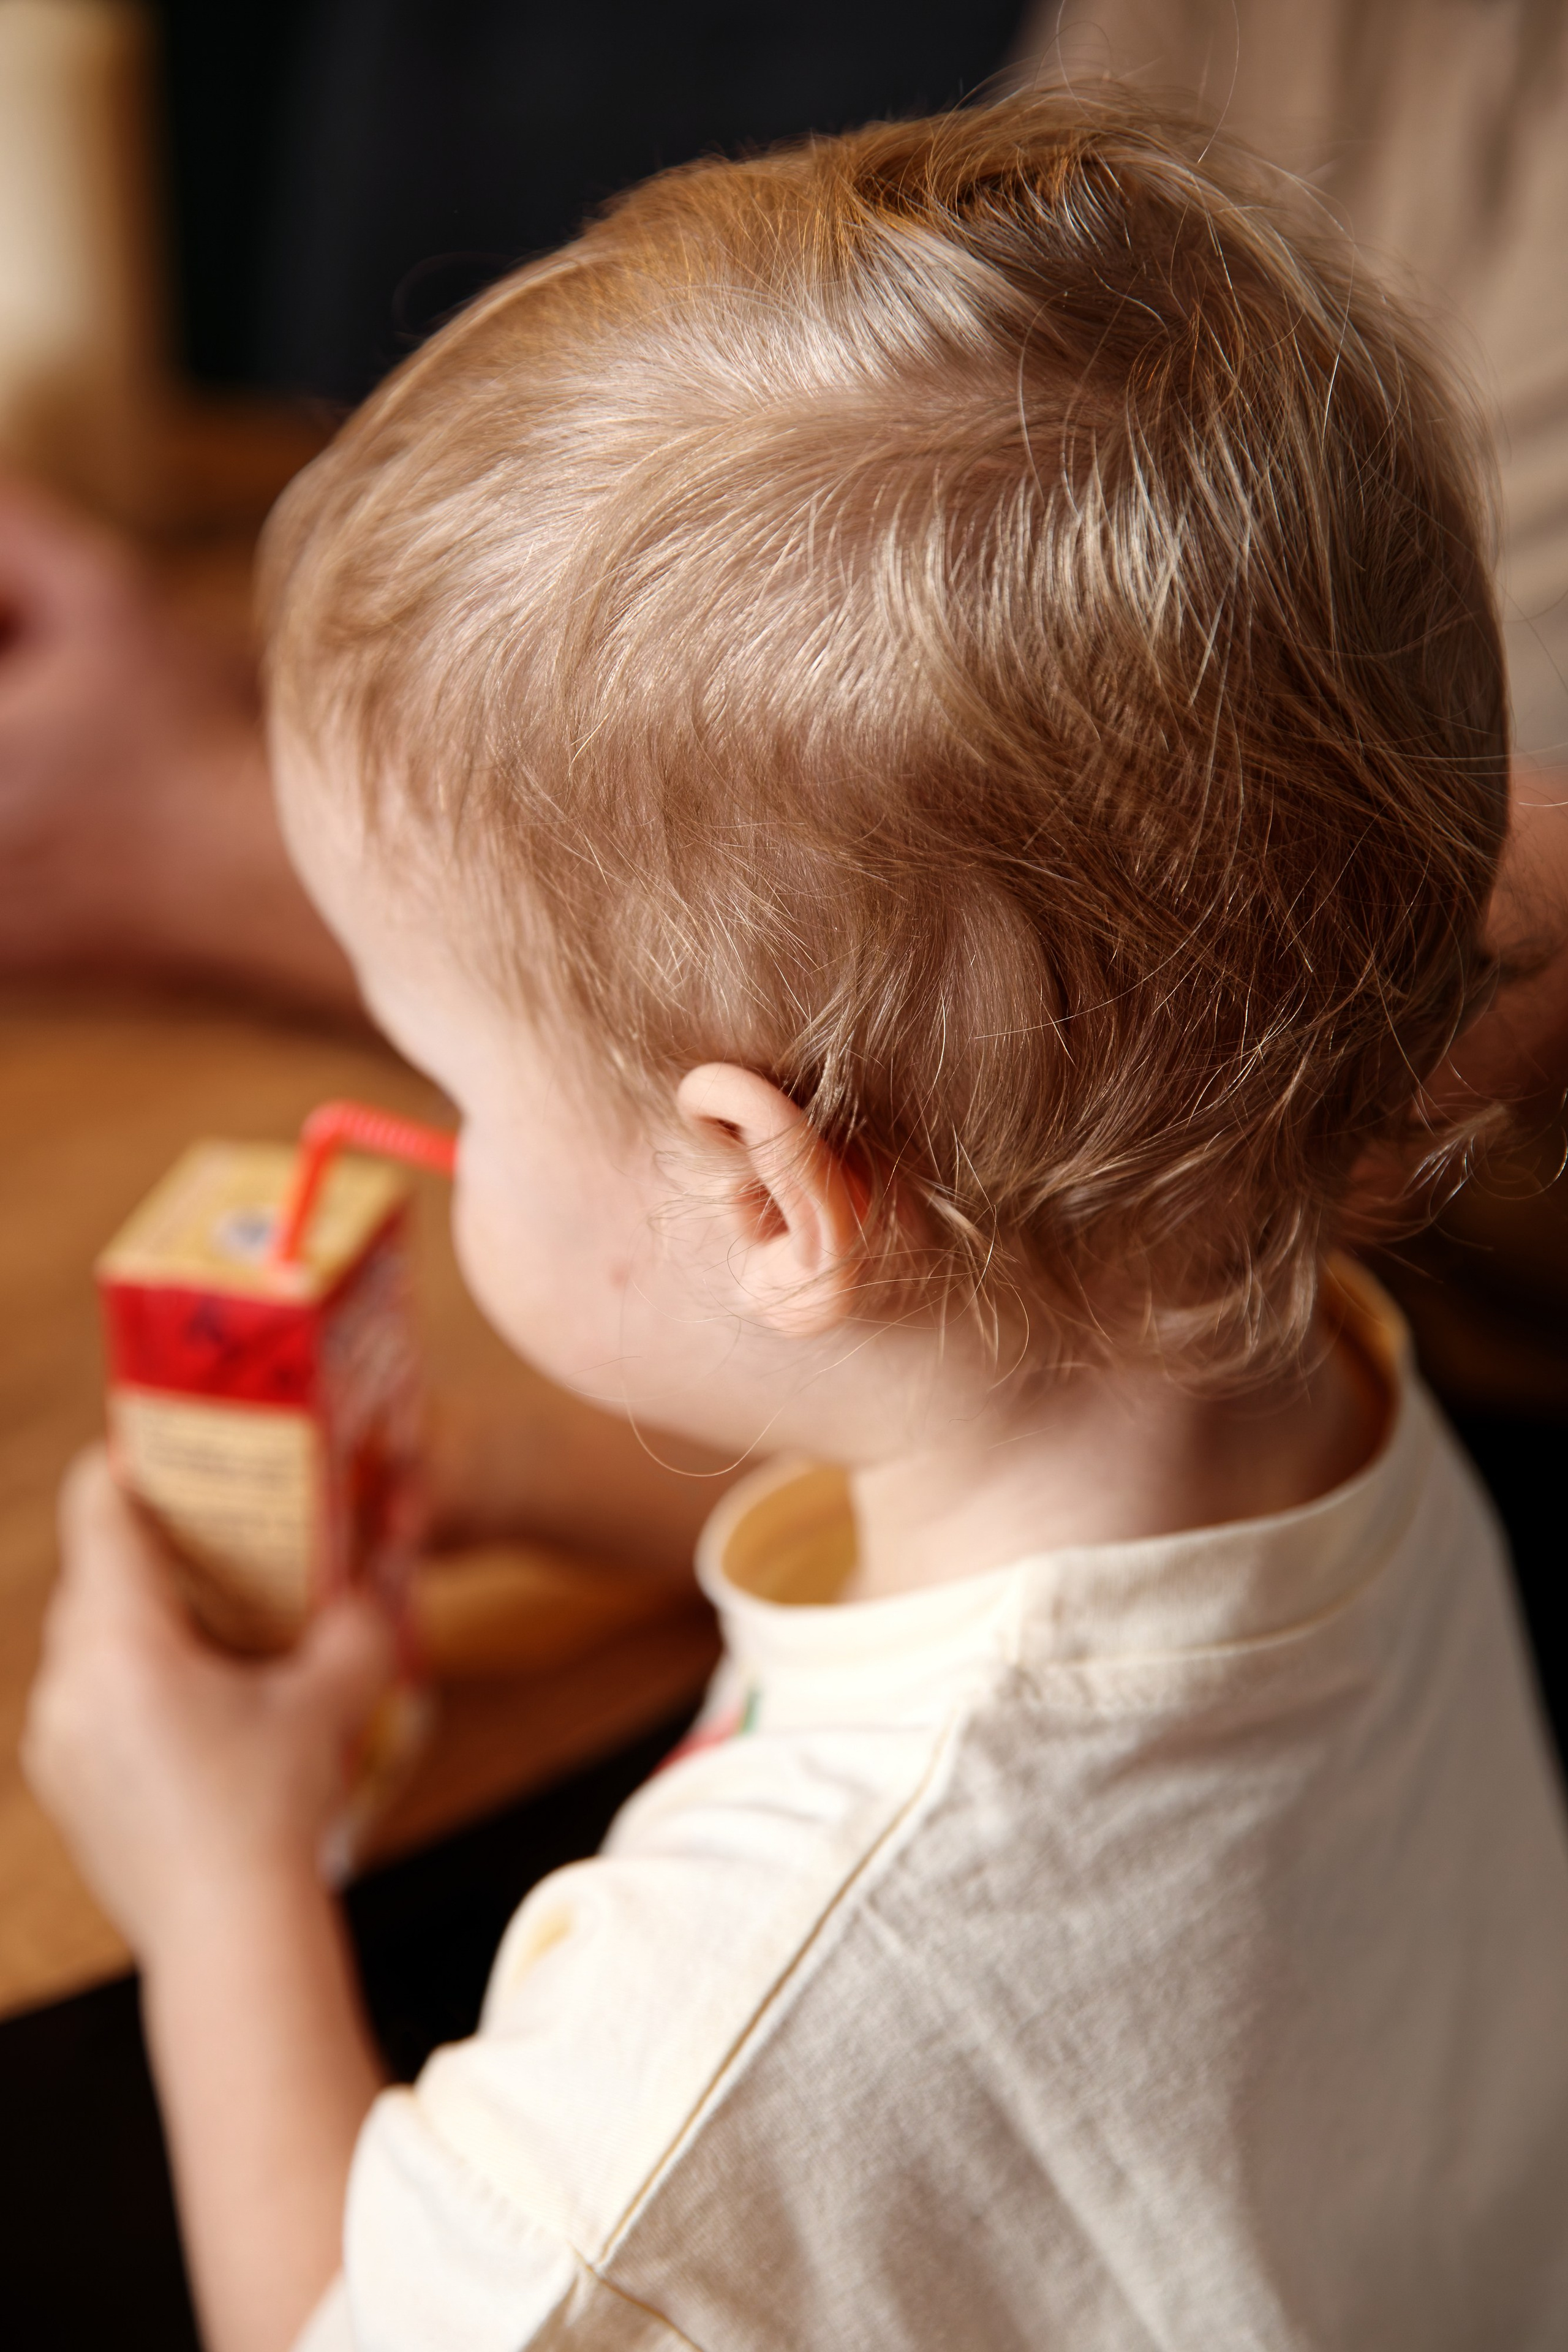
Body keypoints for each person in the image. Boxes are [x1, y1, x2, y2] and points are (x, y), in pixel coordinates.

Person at [24, 86, 1568, 2352]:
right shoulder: (1313, 1412)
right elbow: (1047, 1649)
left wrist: (223, 1879)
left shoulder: (701, 2050)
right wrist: (541, 1479)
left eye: (446, 1070)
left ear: (769, 1191)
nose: (441, 1129)